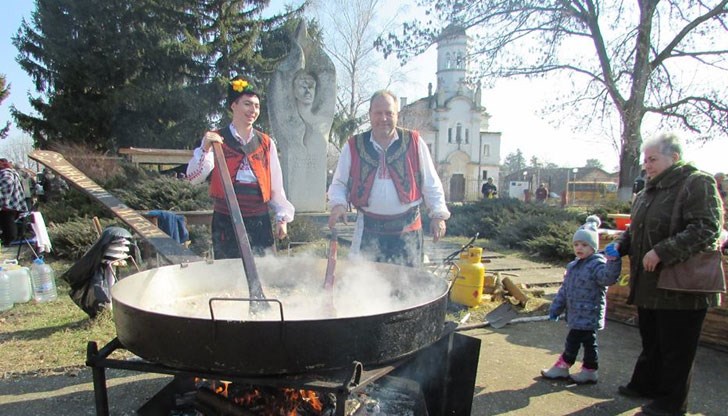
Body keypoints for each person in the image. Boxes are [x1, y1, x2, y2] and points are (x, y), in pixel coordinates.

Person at [606, 133, 723, 416]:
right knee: (653, 339)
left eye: (653, 159)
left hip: (682, 286)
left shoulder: (697, 182)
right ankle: (646, 384)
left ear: (674, 157)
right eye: (645, 160)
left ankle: (671, 404)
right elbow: (636, 229)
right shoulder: (648, 191)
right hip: (650, 284)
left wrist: (661, 252)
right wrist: (619, 246)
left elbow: (707, 228)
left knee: (676, 348)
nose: (647, 165)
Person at [327, 90, 450, 267]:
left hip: (408, 232)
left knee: (409, 288)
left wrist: (438, 215)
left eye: (389, 113)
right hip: (368, 230)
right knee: (365, 286)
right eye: (378, 113)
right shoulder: (354, 145)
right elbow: (339, 183)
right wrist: (338, 204)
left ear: (397, 115)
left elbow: (431, 182)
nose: (383, 118)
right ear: (370, 114)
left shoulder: (414, 142)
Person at [186, 75, 295, 258]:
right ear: (233, 106)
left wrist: (282, 217)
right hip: (226, 222)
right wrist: (204, 148)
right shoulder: (216, 139)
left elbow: (276, 186)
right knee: (230, 277)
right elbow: (193, 178)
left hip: (259, 222)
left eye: (257, 105)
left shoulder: (266, 143)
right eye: (247, 104)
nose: (253, 110)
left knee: (265, 273)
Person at [541, 215, 621, 384]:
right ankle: (588, 370)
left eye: (585, 245)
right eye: (576, 244)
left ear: (593, 247)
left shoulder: (598, 264)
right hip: (576, 314)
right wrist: (555, 308)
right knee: (586, 342)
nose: (579, 248)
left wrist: (613, 261)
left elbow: (608, 278)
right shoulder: (573, 266)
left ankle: (566, 366)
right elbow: (564, 290)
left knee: (577, 341)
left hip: (589, 314)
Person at [0, 158, 28, 245]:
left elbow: (7, 184)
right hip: (13, 203)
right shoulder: (10, 172)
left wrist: (3, 199)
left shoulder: (6, 173)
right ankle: (9, 239)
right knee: (7, 221)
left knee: (7, 221)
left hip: (8, 204)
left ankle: (10, 241)